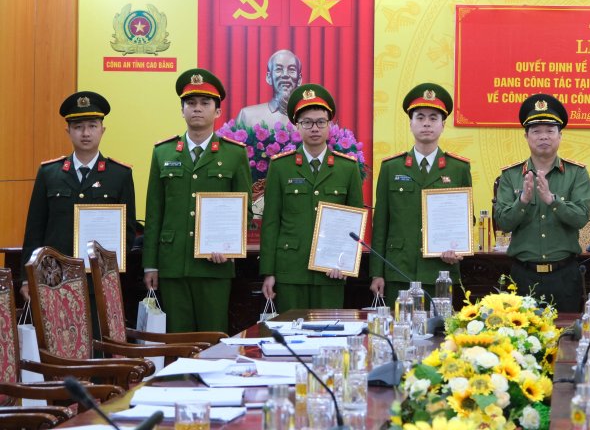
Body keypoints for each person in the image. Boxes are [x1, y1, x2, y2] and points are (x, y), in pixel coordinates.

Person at [143, 69, 252, 333]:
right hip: (173, 264)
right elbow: (154, 212)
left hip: (215, 266)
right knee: (177, 340)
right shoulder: (163, 152)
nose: (197, 109)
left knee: (212, 339)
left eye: (205, 103)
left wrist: (228, 247)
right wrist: (151, 264)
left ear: (217, 111)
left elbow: (244, 211)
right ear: (182, 110)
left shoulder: (235, 154)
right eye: (190, 103)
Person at [21, 92, 136, 316]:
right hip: (54, 279)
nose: (85, 133)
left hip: (99, 281)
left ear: (102, 130)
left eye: (92, 126)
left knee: (97, 344)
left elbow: (128, 232)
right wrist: (27, 278)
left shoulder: (119, 175)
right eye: (78, 126)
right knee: (58, 346)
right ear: (68, 131)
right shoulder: (49, 173)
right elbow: (34, 232)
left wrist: (108, 266)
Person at [260, 84, 364, 312]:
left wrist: (344, 263)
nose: (314, 128)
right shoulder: (280, 166)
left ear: (330, 125)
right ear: (296, 126)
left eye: (320, 122)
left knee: (328, 338)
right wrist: (269, 272)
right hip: (290, 271)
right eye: (307, 122)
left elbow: (354, 222)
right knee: (291, 336)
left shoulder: (347, 168)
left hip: (331, 272)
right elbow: (271, 222)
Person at [370, 83, 471, 304]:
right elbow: (381, 223)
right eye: (420, 117)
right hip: (398, 268)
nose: (426, 123)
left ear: (443, 125)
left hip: (440, 270)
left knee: (439, 334)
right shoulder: (391, 168)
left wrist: (457, 248)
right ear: (411, 123)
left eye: (433, 118)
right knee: (399, 333)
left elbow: (465, 219)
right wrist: (377, 272)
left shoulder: (459, 168)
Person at [494, 94, 590, 313]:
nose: (543, 137)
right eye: (536, 131)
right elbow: (503, 222)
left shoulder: (576, 173)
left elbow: (582, 217)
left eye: (550, 130)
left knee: (566, 340)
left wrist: (552, 201)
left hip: (565, 275)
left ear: (560, 135)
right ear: (526, 136)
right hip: (523, 275)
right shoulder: (510, 175)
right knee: (521, 340)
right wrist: (523, 201)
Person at [236, 49, 303, 128]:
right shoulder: (247, 116)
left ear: (299, 79)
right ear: (269, 77)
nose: (285, 75)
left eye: (291, 70)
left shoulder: (310, 120)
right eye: (278, 69)